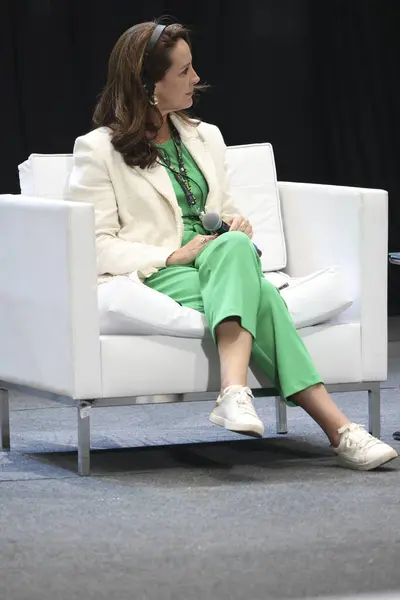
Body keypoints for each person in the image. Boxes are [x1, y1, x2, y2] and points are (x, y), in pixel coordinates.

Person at [68, 20, 398, 471]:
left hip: (218, 261)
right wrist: (172, 255)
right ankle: (339, 430)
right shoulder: (98, 150)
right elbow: (96, 245)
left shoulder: (207, 136)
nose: (196, 79)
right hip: (161, 272)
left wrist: (232, 222)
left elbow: (220, 208)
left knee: (237, 254)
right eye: (183, 71)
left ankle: (238, 393)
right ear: (149, 86)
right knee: (258, 291)